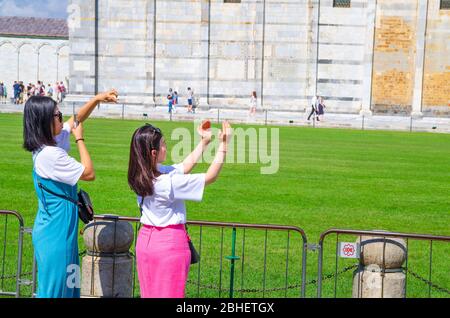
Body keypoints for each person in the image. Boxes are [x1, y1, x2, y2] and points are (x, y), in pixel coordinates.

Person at [22, 89, 118, 298]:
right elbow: (89, 173)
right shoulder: (51, 155)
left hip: (61, 229)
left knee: (70, 287)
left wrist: (96, 99)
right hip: (56, 234)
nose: (61, 118)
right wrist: (80, 139)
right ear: (45, 121)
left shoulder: (46, 145)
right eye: (57, 115)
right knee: (55, 291)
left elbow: (74, 120)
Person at [128, 120, 233, 298]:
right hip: (169, 244)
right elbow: (210, 176)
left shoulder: (142, 175)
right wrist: (224, 144)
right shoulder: (166, 182)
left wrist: (205, 142)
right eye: (163, 145)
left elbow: (184, 166)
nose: (166, 148)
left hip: (146, 242)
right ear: (154, 153)